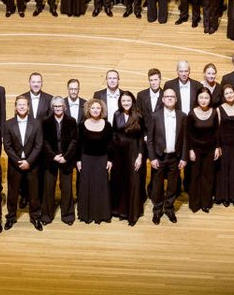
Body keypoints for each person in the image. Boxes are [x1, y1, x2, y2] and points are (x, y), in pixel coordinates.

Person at [2, 95, 46, 231]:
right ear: (15, 107)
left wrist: (29, 161)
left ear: (28, 107)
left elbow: (39, 145)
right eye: (19, 104)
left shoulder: (37, 123)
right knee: (13, 193)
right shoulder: (8, 124)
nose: (21, 107)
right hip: (15, 165)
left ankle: (35, 217)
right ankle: (11, 217)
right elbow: (7, 146)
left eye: (24, 104)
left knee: (34, 193)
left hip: (32, 165)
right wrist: (18, 161)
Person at [145, 87, 185, 223]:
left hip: (175, 157)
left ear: (176, 99)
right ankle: (157, 210)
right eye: (167, 96)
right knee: (157, 185)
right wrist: (152, 158)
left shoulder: (182, 116)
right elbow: (149, 140)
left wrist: (184, 157)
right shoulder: (155, 116)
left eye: (172, 96)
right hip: (159, 157)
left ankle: (169, 208)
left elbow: (185, 139)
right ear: (162, 99)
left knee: (173, 185)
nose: (169, 98)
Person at [110, 91, 146, 226]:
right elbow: (114, 132)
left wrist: (140, 156)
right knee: (119, 181)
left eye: (128, 101)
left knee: (133, 181)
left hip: (133, 151)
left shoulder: (138, 115)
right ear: (120, 102)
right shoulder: (116, 114)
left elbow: (141, 137)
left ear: (132, 101)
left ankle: (132, 212)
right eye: (123, 101)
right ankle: (120, 211)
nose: (126, 103)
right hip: (119, 153)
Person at [43, 96, 79, 226]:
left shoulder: (71, 121)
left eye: (60, 106)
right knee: (48, 187)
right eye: (55, 106)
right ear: (52, 108)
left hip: (66, 159)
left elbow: (74, 141)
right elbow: (44, 142)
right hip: (50, 159)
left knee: (67, 188)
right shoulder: (46, 122)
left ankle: (68, 215)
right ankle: (47, 214)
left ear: (64, 107)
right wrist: (53, 156)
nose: (58, 108)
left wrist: (66, 157)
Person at [76, 98, 113, 224]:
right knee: (86, 186)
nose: (96, 110)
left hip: (102, 159)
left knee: (101, 187)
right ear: (88, 109)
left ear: (101, 109)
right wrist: (78, 160)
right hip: (86, 159)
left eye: (98, 108)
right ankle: (87, 214)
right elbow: (79, 144)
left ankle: (100, 214)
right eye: (93, 108)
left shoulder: (107, 125)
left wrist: (110, 160)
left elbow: (110, 144)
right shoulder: (82, 125)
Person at [186, 87, 219, 213]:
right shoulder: (192, 113)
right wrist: (190, 150)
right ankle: (195, 203)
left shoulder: (214, 112)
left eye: (206, 97)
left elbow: (217, 131)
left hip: (210, 149)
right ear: (197, 98)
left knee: (208, 176)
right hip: (196, 149)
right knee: (195, 176)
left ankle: (206, 203)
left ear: (210, 99)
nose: (203, 100)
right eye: (201, 97)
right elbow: (188, 134)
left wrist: (217, 147)